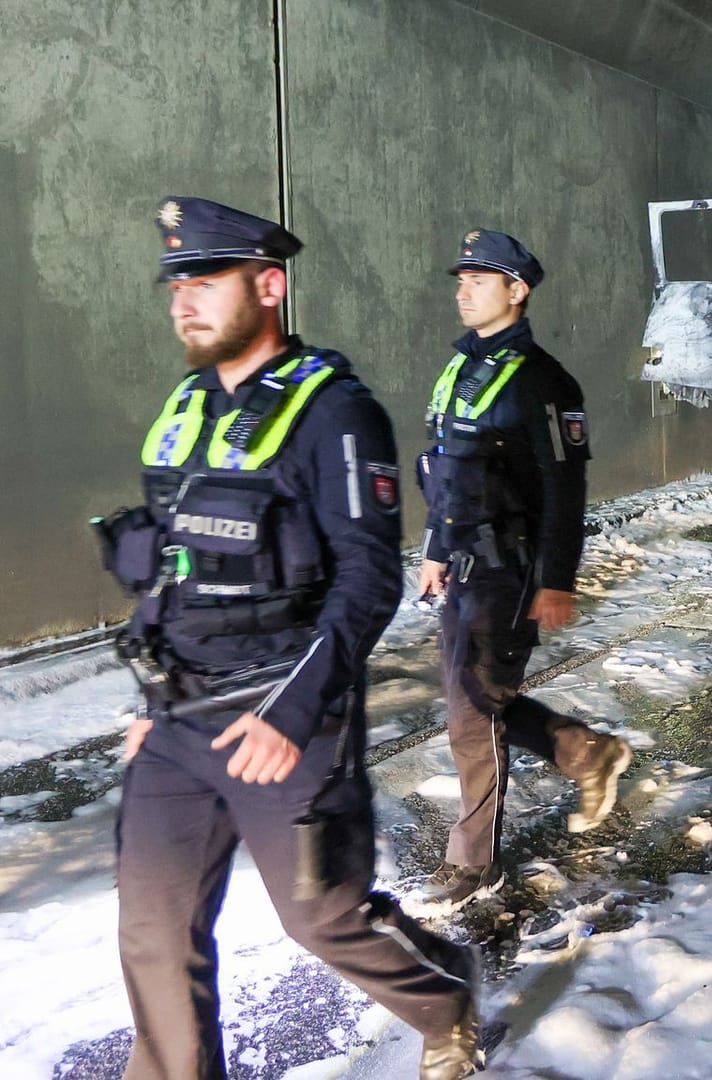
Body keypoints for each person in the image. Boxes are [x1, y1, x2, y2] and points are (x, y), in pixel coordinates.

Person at [97, 197, 480, 1078]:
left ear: (268, 286)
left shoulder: (336, 414)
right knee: (153, 932)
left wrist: (293, 711)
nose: (182, 300)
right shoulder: (187, 407)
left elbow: (367, 577)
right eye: (175, 284)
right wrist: (149, 702)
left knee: (322, 917)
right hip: (177, 721)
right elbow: (170, 567)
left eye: (205, 280)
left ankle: (444, 997)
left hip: (284, 718)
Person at [413, 229, 630, 909]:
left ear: (517, 290)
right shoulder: (458, 370)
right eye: (462, 279)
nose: (464, 290)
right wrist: (433, 550)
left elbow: (566, 493)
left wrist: (557, 581)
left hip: (509, 574)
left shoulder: (544, 382)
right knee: (479, 703)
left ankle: (474, 863)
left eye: (480, 279)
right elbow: (447, 474)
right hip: (463, 568)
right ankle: (585, 753)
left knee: (471, 719)